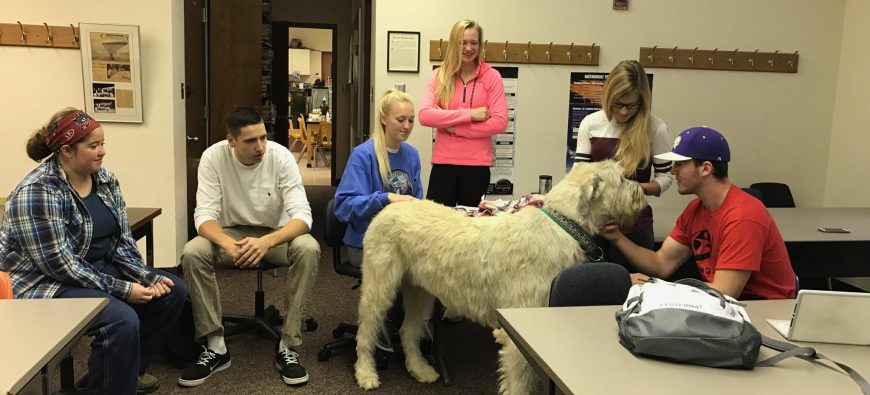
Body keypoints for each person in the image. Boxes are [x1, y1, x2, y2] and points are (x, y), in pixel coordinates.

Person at [0, 108, 187, 394]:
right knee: (121, 320)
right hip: (45, 282)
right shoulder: (37, 191)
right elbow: (61, 265)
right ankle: (113, 383)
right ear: (66, 150)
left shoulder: (105, 178)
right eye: (93, 145)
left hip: (95, 268)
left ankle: (116, 375)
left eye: (103, 143)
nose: (102, 152)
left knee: (172, 291)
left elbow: (122, 240)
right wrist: (124, 289)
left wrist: (143, 277)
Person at [178, 107, 320, 387]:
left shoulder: (280, 157)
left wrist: (266, 241)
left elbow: (303, 216)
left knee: (309, 248)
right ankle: (215, 345)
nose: (260, 147)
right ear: (231, 141)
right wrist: (228, 244)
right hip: (231, 233)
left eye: (263, 138)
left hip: (275, 234)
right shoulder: (213, 157)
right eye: (250, 141)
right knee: (193, 252)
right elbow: (204, 216)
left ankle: (288, 346)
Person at [601, 126, 797, 300]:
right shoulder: (696, 209)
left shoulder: (743, 216)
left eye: (680, 164)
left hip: (764, 310)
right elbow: (661, 263)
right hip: (725, 306)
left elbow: (725, 293)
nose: (673, 171)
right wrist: (617, 237)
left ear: (705, 168)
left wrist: (651, 287)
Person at [574, 60, 673, 270]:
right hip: (594, 226)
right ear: (608, 97)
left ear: (643, 102)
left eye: (632, 105)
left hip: (634, 227)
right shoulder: (591, 124)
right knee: (590, 293)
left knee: (633, 291)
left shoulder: (655, 129)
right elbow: (578, 173)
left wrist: (632, 190)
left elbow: (666, 177)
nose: (624, 112)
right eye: (618, 104)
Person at [418, 18, 508, 208]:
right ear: (454, 44)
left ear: (480, 44)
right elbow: (425, 115)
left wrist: (454, 128)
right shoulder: (439, 76)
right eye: (462, 42)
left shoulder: (492, 77)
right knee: (437, 228)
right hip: (444, 165)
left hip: (477, 168)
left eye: (473, 42)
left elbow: (499, 122)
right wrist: (470, 115)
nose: (468, 48)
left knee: (472, 231)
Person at [334, 89, 423, 266]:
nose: (407, 126)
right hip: (367, 244)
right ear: (383, 119)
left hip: (402, 242)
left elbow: (417, 201)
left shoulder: (412, 154)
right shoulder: (362, 155)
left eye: (411, 120)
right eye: (400, 120)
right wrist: (386, 199)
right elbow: (343, 207)